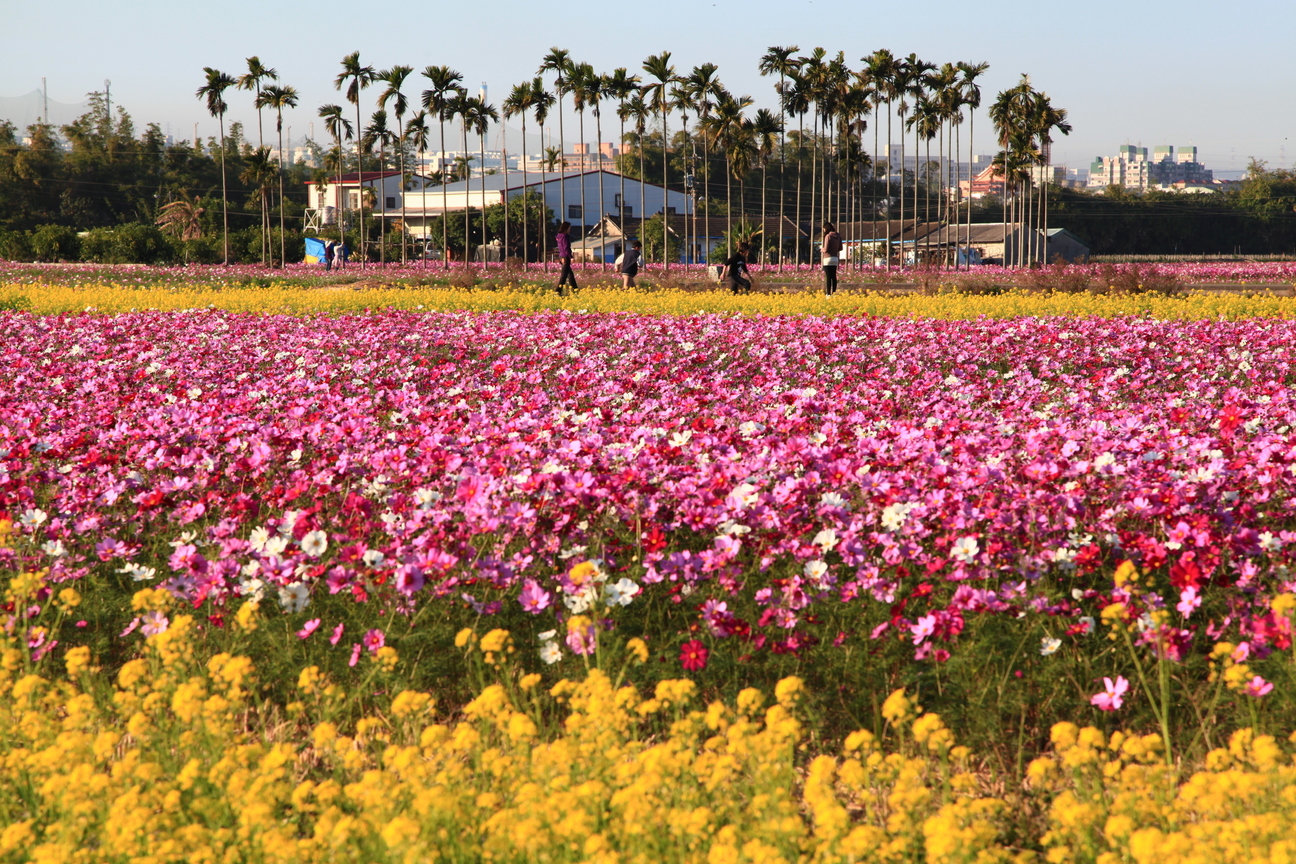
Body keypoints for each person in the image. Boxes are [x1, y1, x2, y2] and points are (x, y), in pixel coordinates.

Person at [555, 221, 577, 295]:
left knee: (570, 275)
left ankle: (575, 289)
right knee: (564, 276)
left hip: (561, 256)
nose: (569, 230)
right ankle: (557, 291)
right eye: (569, 228)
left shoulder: (559, 236)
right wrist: (570, 257)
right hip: (565, 257)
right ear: (566, 228)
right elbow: (566, 248)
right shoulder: (564, 236)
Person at [821, 221, 842, 295]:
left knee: (828, 277)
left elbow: (826, 249)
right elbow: (840, 248)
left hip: (827, 258)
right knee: (834, 276)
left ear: (826, 228)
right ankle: (834, 292)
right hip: (835, 258)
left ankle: (828, 294)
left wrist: (822, 249)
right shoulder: (838, 235)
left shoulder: (828, 236)